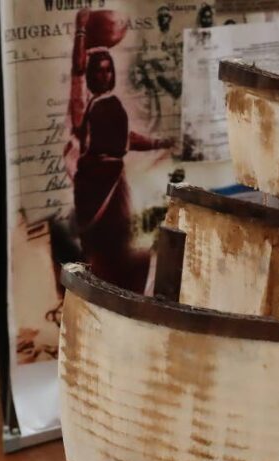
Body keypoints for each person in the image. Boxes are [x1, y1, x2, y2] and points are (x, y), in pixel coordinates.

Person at [68, 11, 172, 292]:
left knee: (122, 243)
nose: (104, 74)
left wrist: (158, 144)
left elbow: (126, 138)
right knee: (100, 246)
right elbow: (76, 71)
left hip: (116, 180)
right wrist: (80, 30)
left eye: (108, 69)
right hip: (94, 186)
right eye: (98, 69)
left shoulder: (113, 103)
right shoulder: (83, 106)